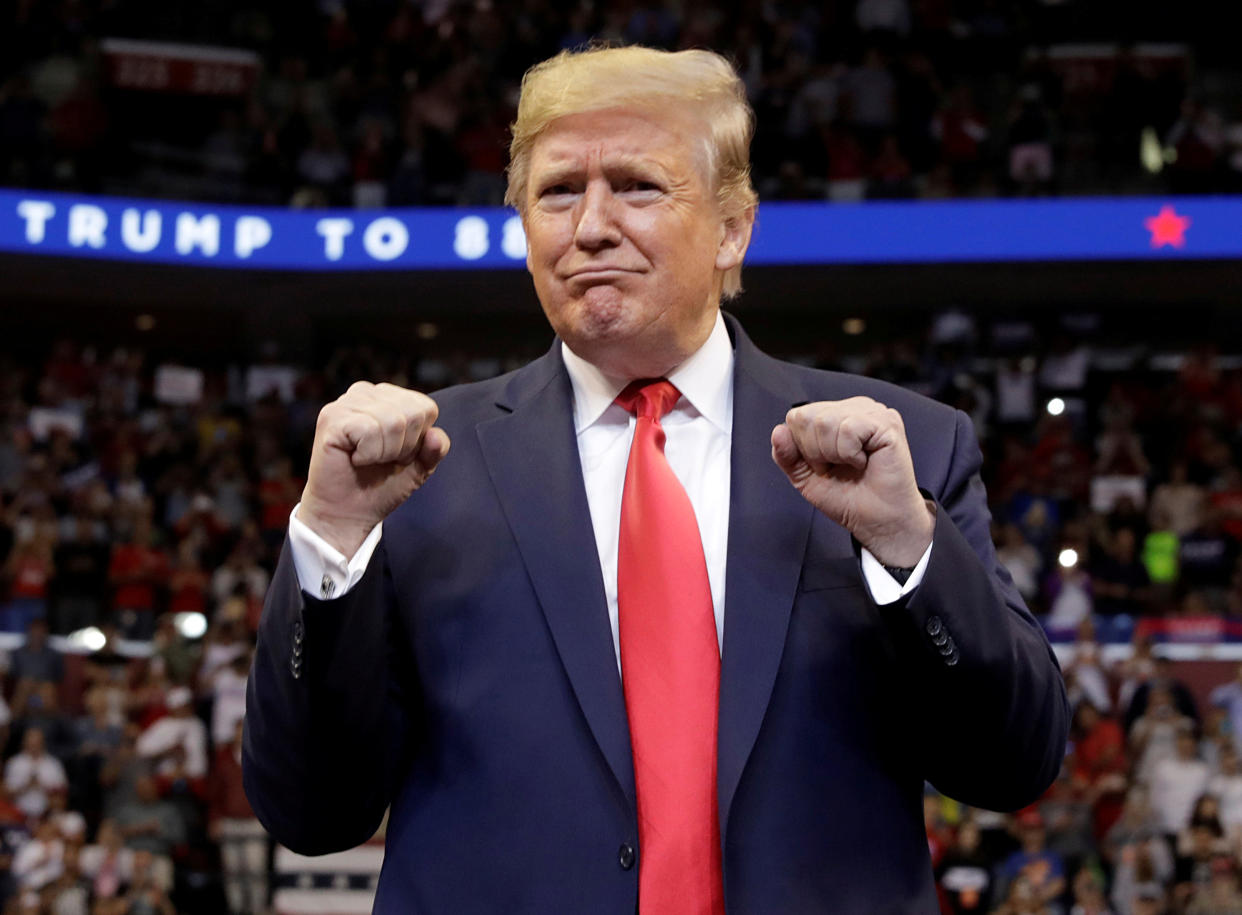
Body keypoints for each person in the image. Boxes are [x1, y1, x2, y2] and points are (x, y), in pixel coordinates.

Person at [244, 45, 1068, 912]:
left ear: (732, 228)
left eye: (637, 184)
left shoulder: (902, 452)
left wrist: (907, 545)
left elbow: (1012, 764)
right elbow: (312, 810)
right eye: (558, 191)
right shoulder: (413, 468)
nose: (590, 224)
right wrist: (328, 550)